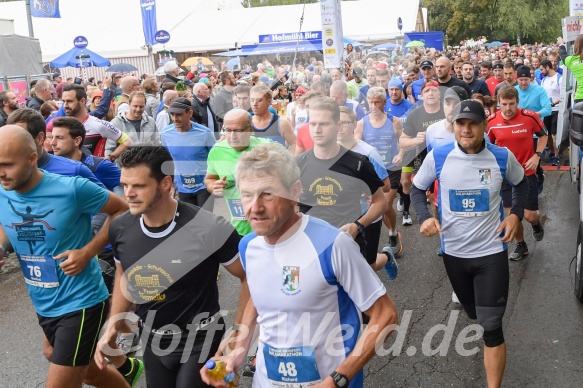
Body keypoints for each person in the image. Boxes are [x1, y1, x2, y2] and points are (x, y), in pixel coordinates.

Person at [200, 142, 398, 388]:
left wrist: (337, 379)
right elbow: (259, 294)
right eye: (247, 195)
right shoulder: (249, 246)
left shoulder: (333, 244)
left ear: (295, 192)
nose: (255, 207)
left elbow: (385, 314)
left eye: (267, 194)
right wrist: (239, 348)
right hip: (267, 380)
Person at [93, 144, 248, 388]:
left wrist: (238, 338)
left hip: (201, 340)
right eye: (125, 186)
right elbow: (124, 274)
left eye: (139, 186)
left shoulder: (208, 226)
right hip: (152, 340)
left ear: (165, 183)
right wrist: (113, 326)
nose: (128, 194)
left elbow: (248, 277)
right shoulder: (120, 227)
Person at [0, 125, 140, 388]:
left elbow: (122, 211)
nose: (0, 173)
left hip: (81, 301)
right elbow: (4, 219)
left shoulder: (72, 188)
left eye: (7, 165)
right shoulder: (2, 188)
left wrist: (88, 252)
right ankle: (128, 373)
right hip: (43, 300)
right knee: (76, 365)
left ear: (32, 158)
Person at [411, 100, 527, 388]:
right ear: (453, 127)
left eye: (472, 123)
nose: (466, 129)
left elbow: (523, 183)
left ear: (484, 126)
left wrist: (515, 215)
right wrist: (424, 216)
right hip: (454, 255)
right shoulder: (438, 156)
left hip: (491, 253)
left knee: (491, 327)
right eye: (460, 123)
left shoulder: (501, 156)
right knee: (475, 313)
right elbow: (416, 187)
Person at [296, 97, 392, 276]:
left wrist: (358, 226)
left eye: (323, 124)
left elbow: (381, 202)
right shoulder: (298, 164)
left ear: (338, 126)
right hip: (311, 246)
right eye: (313, 124)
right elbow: (292, 204)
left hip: (349, 245)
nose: (317, 130)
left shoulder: (358, 163)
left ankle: (386, 256)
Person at [487, 86, 547, 260]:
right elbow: (487, 146)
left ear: (517, 102)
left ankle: (536, 223)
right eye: (504, 104)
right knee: (512, 213)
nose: (508, 108)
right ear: (498, 103)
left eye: (511, 104)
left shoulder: (529, 117)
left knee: (530, 214)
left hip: (526, 172)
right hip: (504, 175)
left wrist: (537, 156)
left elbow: (543, 136)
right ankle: (521, 245)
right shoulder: (491, 122)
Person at [355, 87, 405, 259]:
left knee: (385, 205)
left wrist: (400, 154)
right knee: (378, 207)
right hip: (372, 169)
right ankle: (392, 231)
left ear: (385, 102)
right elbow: (356, 146)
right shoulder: (362, 123)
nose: (374, 105)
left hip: (391, 168)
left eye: (377, 102)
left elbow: (402, 142)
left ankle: (391, 233)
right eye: (371, 102)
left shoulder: (394, 121)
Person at [205, 109, 270, 236]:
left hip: (270, 228)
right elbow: (210, 179)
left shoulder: (267, 149)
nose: (232, 136)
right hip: (240, 229)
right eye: (228, 130)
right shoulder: (217, 151)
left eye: (238, 131)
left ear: (251, 129)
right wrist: (213, 186)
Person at [399, 80, 445, 227]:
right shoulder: (415, 115)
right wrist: (415, 140)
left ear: (440, 94)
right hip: (427, 162)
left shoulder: (447, 111)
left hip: (449, 159)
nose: (430, 93)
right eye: (427, 91)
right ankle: (441, 232)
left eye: (434, 90)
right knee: (433, 200)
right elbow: (402, 141)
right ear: (421, 95)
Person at [161, 97, 216, 210]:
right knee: (189, 222)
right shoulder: (166, 133)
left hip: (203, 186)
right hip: (182, 187)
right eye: (172, 115)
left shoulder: (204, 133)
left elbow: (215, 157)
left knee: (205, 221)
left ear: (189, 113)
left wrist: (214, 179)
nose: (175, 118)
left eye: (179, 114)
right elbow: (167, 159)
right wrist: (170, 183)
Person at [61, 84, 133, 160]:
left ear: (82, 101)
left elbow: (127, 141)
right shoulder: (63, 126)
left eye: (69, 101)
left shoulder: (97, 124)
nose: (65, 105)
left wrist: (110, 158)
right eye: (63, 101)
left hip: (93, 171)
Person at [108, 91, 159, 157]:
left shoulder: (151, 122)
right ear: (129, 104)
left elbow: (157, 144)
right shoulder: (116, 123)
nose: (138, 109)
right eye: (135, 106)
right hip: (124, 165)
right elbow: (109, 149)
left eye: (141, 107)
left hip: (146, 164)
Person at [250, 84, 296, 152]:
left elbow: (294, 144)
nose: (254, 104)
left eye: (259, 100)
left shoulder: (281, 123)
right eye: (252, 100)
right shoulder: (246, 123)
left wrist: (288, 160)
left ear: (269, 102)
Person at [539, 59, 561, 164]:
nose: (541, 72)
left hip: (556, 110)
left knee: (554, 134)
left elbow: (563, 95)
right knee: (547, 135)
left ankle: (557, 155)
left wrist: (553, 103)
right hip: (546, 111)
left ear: (547, 67)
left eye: (542, 69)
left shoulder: (559, 78)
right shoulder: (543, 80)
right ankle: (552, 152)